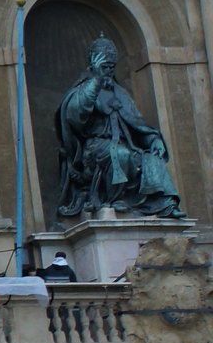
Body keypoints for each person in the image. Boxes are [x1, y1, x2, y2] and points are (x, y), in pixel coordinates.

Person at [55, 35, 182, 219]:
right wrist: (96, 80)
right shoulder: (84, 90)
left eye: (111, 67)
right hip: (95, 147)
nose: (108, 71)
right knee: (121, 155)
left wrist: (154, 140)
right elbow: (75, 116)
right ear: (94, 65)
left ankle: (165, 205)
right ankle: (114, 201)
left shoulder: (120, 93)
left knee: (152, 160)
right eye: (104, 67)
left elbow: (138, 122)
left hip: (125, 145)